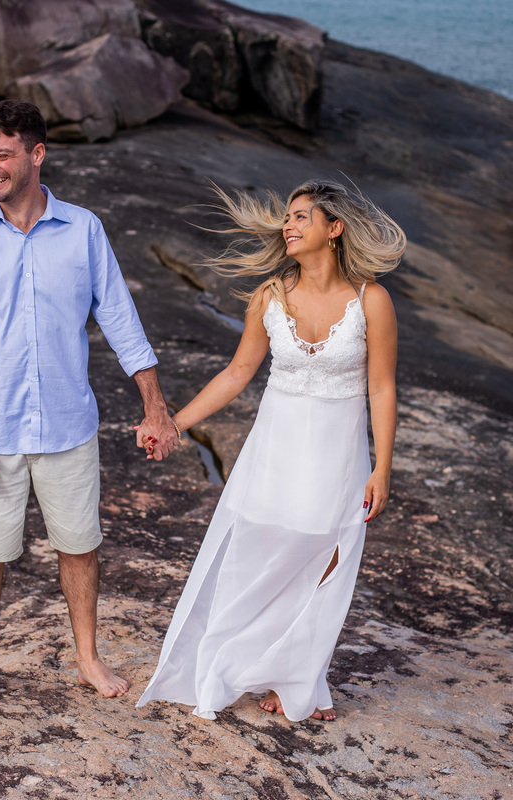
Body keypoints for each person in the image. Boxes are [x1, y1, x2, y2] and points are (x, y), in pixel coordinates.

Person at [0, 100, 179, 713]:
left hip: (68, 423)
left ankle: (87, 659)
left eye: (2, 155)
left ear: (36, 155)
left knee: (80, 545)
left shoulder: (84, 229)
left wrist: (156, 407)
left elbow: (120, 316)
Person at [136, 180, 405, 722]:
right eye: (287, 216)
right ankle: (234, 665)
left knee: (323, 559)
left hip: (336, 455)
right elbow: (237, 373)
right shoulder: (270, 297)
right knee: (257, 554)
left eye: (303, 217)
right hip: (274, 449)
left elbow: (382, 387)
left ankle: (299, 680)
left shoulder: (370, 299)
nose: (289, 225)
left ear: (335, 228)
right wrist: (173, 424)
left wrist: (382, 467)